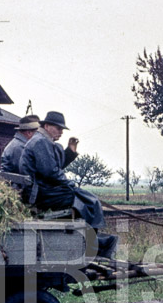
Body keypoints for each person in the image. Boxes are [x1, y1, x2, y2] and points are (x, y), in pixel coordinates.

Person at [18, 111, 116, 258]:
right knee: (89, 200)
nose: (61, 132)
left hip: (43, 190)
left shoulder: (43, 141)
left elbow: (53, 167)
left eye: (62, 129)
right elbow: (50, 172)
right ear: (47, 126)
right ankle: (93, 245)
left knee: (86, 199)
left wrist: (70, 152)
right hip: (40, 193)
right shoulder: (40, 142)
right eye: (58, 128)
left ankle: (92, 242)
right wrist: (71, 183)